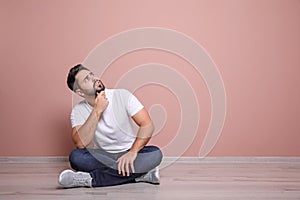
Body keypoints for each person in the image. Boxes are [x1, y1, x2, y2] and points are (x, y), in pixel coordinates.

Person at [58, 64, 163, 188]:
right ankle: (140, 175)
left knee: (155, 154)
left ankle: (90, 180)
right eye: (86, 79)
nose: (93, 78)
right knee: (76, 157)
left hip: (129, 152)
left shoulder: (122, 95)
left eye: (91, 74)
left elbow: (147, 125)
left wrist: (133, 152)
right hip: (103, 156)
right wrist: (97, 110)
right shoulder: (78, 110)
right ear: (80, 92)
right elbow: (80, 143)